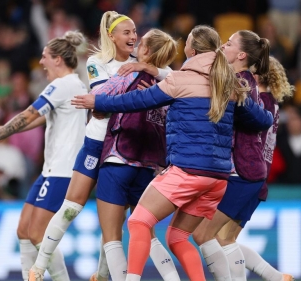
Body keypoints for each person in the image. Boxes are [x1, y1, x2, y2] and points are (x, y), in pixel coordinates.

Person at [72, 25, 272, 281]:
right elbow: (262, 119)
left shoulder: (181, 79)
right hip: (218, 178)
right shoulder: (228, 82)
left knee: (138, 222)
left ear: (192, 49)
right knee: (177, 237)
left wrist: (98, 102)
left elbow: (137, 100)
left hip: (188, 170)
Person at [28, 11, 176, 281]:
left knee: (118, 219)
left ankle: (104, 274)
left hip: (125, 146)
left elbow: (171, 76)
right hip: (97, 143)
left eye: (135, 33)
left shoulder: (140, 61)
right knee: (72, 206)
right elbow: (102, 99)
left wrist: (147, 68)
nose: (134, 37)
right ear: (112, 36)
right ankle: (38, 267)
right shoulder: (97, 62)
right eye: (127, 32)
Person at [0, 31, 88, 281]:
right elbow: (40, 117)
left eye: (45, 57)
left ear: (57, 60)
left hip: (63, 171)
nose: (41, 62)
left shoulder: (62, 84)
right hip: (50, 171)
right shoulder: (72, 85)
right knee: (24, 231)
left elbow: (30, 114)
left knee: (38, 234)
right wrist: (0, 131)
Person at [191, 30, 273, 281]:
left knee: (204, 235)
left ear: (241, 54)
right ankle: (275, 277)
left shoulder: (240, 83)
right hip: (244, 172)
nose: (222, 47)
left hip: (242, 174)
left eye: (228, 44)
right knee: (222, 238)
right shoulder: (241, 80)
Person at [216, 56, 294, 281]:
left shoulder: (258, 101)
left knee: (218, 239)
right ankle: (277, 277)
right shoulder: (272, 103)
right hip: (258, 179)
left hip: (246, 175)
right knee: (227, 240)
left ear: (257, 75)